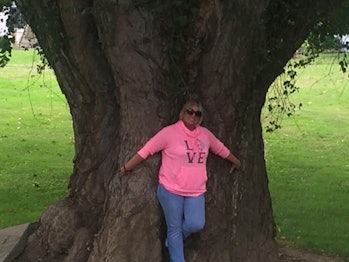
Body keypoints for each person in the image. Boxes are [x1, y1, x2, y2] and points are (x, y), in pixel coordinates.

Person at [118, 99, 241, 262]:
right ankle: (176, 250)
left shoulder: (205, 135)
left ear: (201, 118)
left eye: (198, 113)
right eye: (190, 111)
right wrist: (126, 167)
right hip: (170, 190)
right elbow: (146, 150)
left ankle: (173, 241)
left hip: (196, 191)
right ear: (182, 113)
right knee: (174, 228)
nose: (193, 116)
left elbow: (220, 148)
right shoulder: (169, 133)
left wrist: (235, 161)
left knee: (196, 223)